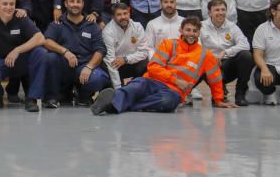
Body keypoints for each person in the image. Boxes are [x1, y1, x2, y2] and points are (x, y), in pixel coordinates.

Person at [92, 17, 237, 115]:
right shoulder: (168, 44)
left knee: (168, 103)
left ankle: (115, 104)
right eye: (188, 30)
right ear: (181, 31)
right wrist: (177, 80)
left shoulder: (206, 55)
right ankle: (115, 102)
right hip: (152, 81)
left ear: (199, 32)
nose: (191, 34)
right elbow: (153, 67)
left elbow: (215, 78)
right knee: (136, 86)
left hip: (174, 93)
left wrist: (219, 100)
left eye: (194, 31)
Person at [44, 0, 109, 108]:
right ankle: (53, 96)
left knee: (99, 78)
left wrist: (89, 67)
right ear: (65, 4)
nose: (75, 4)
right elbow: (46, 41)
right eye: (72, 1)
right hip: (64, 65)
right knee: (50, 57)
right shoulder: (57, 23)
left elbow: (100, 50)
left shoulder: (92, 26)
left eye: (78, 2)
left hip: (84, 65)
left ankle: (83, 95)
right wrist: (65, 51)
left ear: (83, 4)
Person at [200, 0, 252, 106]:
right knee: (203, 61)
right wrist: (211, 57)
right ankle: (219, 92)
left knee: (246, 56)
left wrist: (225, 52)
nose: (220, 13)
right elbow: (197, 47)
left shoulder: (232, 26)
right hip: (210, 65)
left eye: (223, 10)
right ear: (210, 12)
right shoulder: (201, 26)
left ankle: (240, 94)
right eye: (217, 10)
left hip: (228, 64)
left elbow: (245, 45)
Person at [101, 2, 150, 88]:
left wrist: (126, 59)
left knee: (145, 64)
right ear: (113, 17)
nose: (123, 17)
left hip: (131, 61)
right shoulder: (107, 32)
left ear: (129, 13)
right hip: (116, 65)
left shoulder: (137, 27)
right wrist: (118, 88)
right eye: (119, 14)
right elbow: (110, 61)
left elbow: (144, 52)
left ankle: (137, 88)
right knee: (107, 68)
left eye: (125, 13)